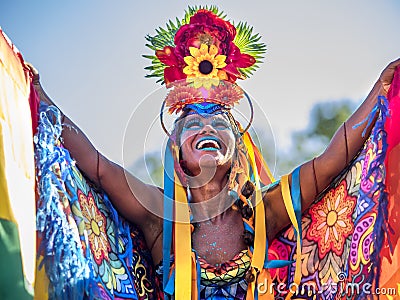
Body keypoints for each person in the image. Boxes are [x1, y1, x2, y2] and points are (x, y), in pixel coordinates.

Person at [28, 7, 400, 300]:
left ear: (237, 147)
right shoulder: (160, 218)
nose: (207, 128)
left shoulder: (267, 212)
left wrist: (381, 88)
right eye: (192, 122)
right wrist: (38, 98)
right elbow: (98, 167)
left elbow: (333, 158)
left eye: (220, 122)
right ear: (176, 150)